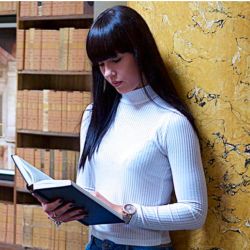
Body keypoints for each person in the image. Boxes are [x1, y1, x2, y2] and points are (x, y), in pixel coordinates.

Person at [34, 5, 208, 250]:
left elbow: (195, 212)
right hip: (95, 244)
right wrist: (61, 210)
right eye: (100, 65)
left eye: (116, 60)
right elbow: (89, 192)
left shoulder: (171, 123)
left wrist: (125, 212)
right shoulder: (93, 115)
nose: (108, 73)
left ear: (140, 53)